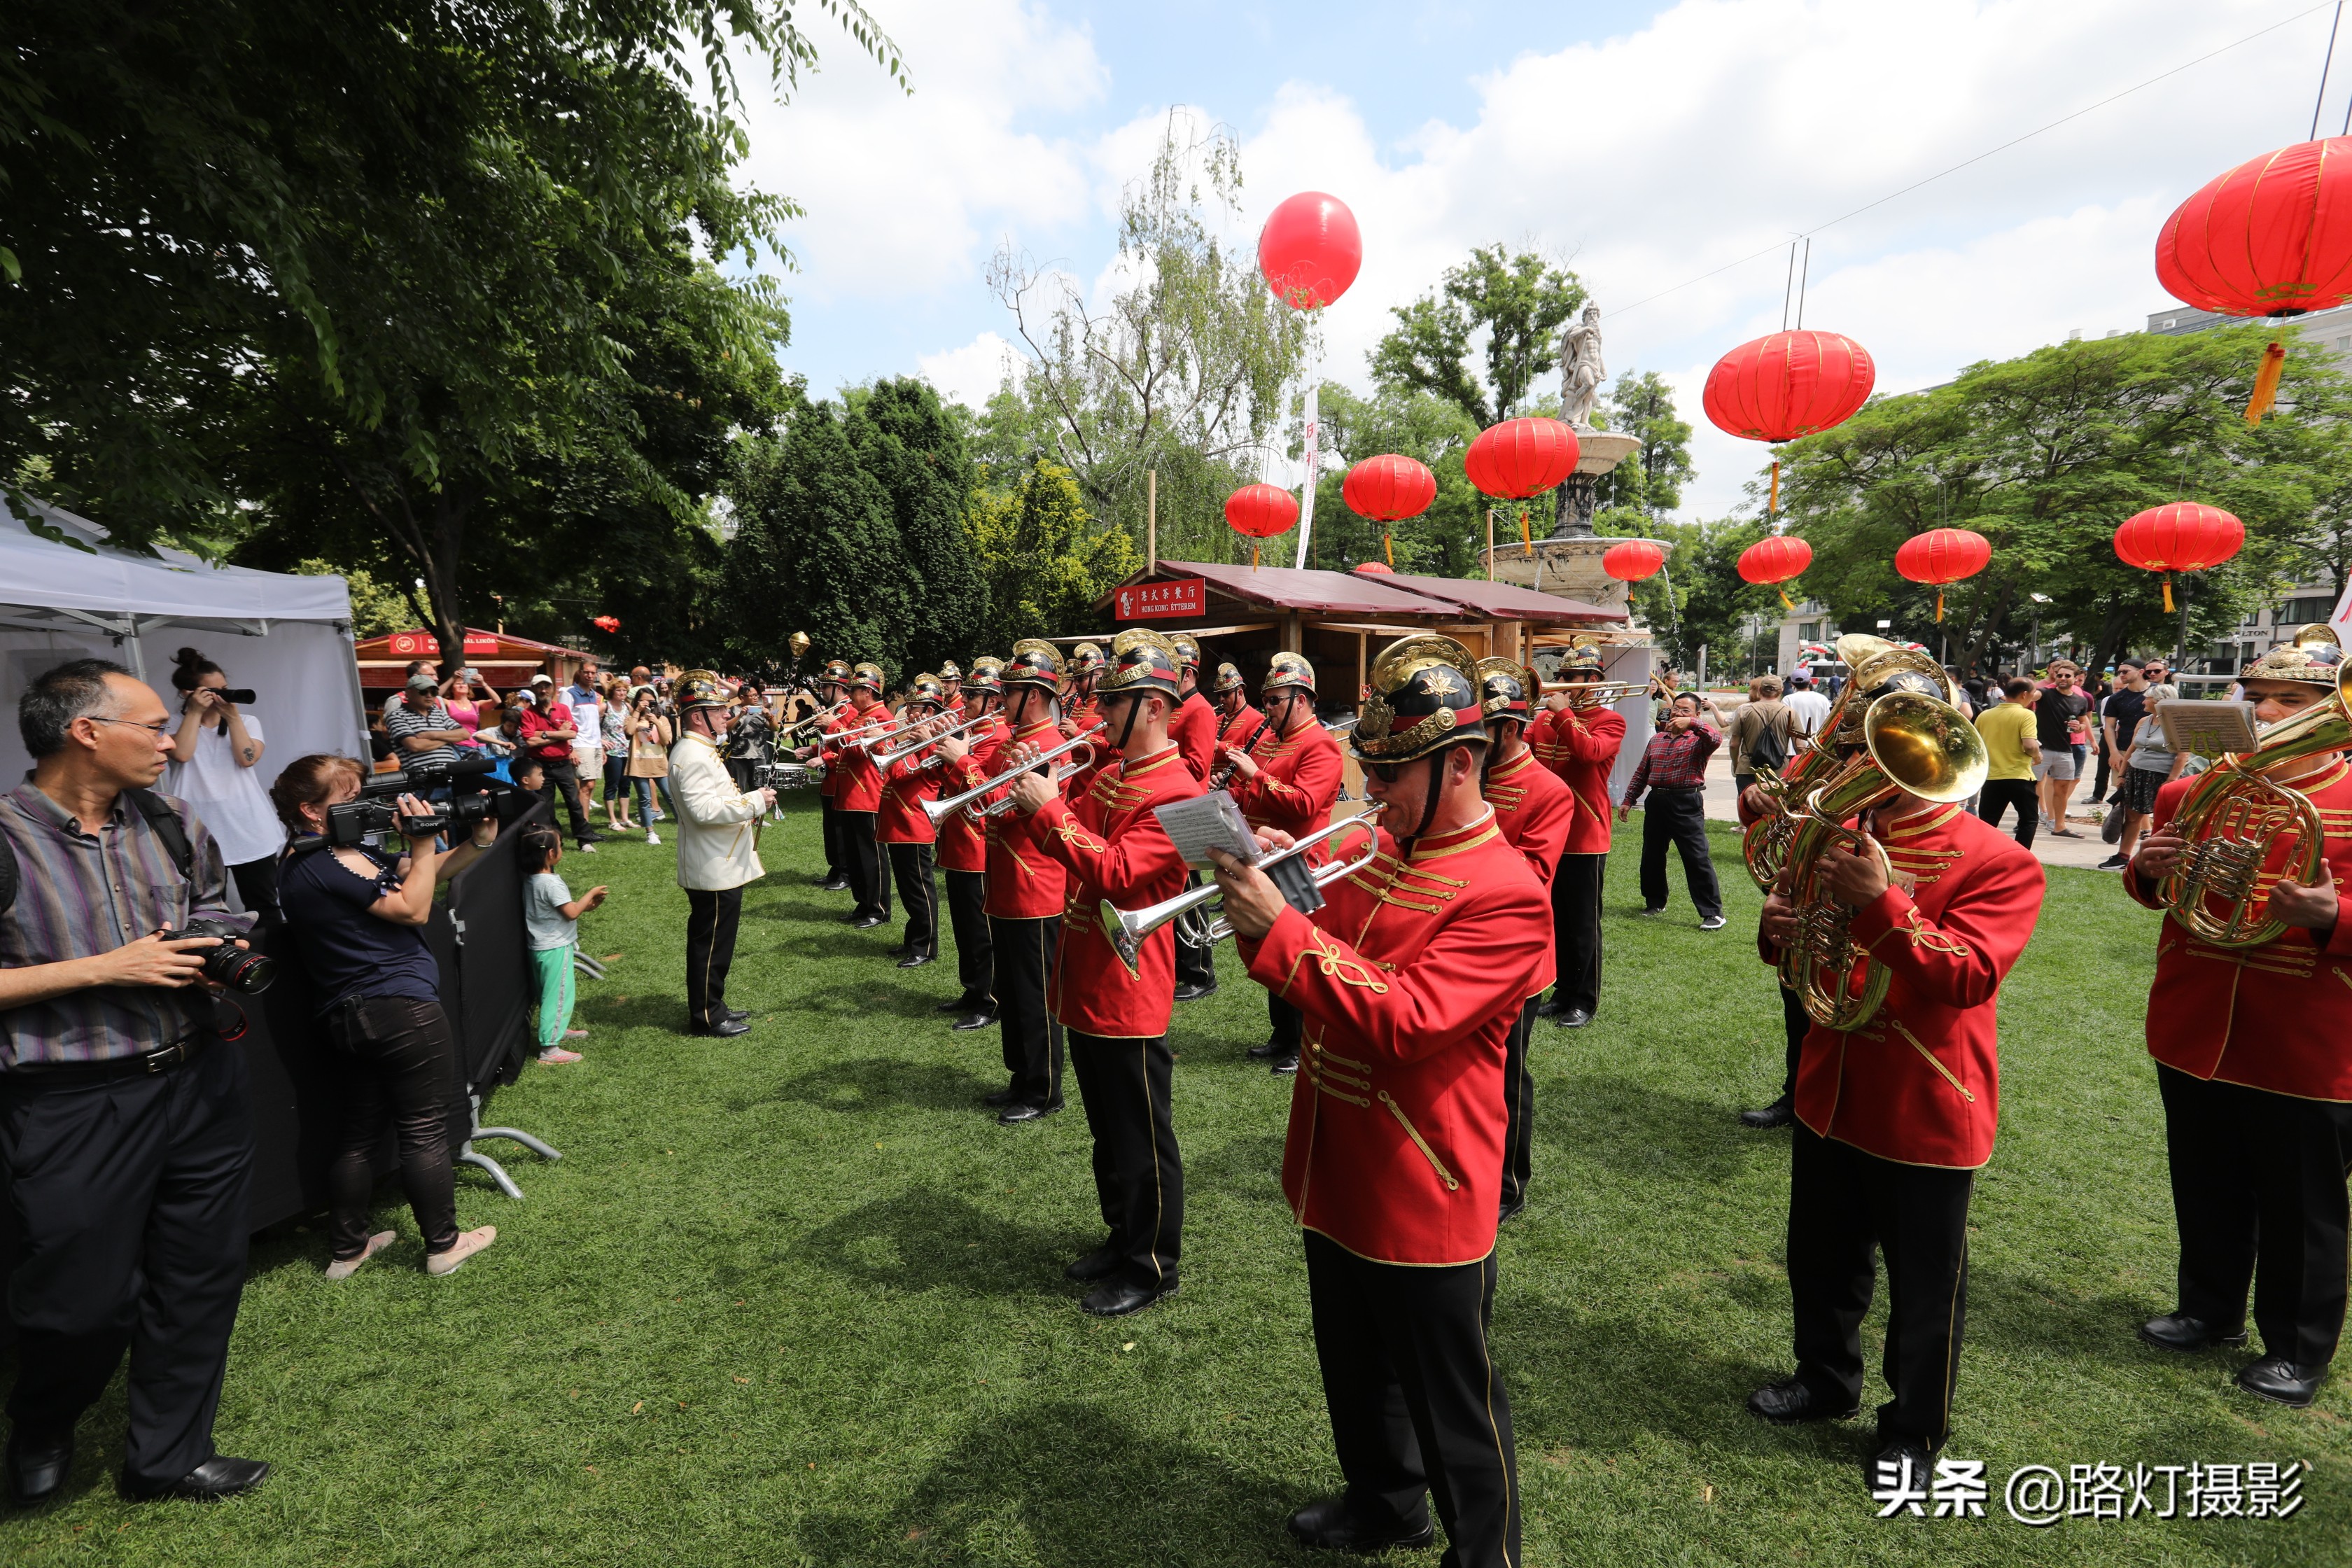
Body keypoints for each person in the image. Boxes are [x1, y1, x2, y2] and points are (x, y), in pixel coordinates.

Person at [1206, 634, 1548, 1567]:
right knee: (1355, 1371)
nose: (1373, 795)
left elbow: (1404, 1020)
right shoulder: (1382, 849)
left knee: (1456, 1407)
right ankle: (1386, 1503)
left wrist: (1285, 931)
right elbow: (1324, 968)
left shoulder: (1507, 894)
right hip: (1340, 1159)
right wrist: (1278, 888)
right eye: (1372, 771)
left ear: (1462, 764)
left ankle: (1487, 1556)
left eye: (1392, 775)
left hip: (1422, 1184)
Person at [1748, 723, 2046, 1490]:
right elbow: (1806, 938)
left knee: (1925, 1286)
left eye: (1872, 756)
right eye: (1856, 754)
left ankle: (1915, 1427)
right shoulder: (1835, 835)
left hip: (1925, 1097)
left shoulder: (1998, 859)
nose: (1857, 768)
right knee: (1821, 1256)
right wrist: (1776, 931)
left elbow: (1970, 975)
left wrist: (1883, 903)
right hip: (1831, 1085)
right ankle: (1824, 1378)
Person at [0, 661, 268, 1504]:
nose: (170, 739)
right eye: (154, 726)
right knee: (77, 1303)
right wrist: (101, 969)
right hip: (72, 1097)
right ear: (85, 732)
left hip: (199, 1081)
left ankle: (167, 1455)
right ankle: (43, 1419)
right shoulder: (7, 834)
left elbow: (221, 908)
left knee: (200, 1275)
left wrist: (209, 949)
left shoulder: (169, 817)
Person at [2123, 634, 2352, 1407]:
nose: (2267, 711)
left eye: (2290, 701)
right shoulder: (2192, 791)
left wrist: (2335, 917)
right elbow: (2164, 890)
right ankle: (2209, 1309)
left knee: (2302, 1206)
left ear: (2332, 710)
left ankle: (2296, 1348)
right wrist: (2145, 871)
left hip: (2306, 1039)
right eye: (2258, 697)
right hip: (2197, 1022)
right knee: (2207, 1180)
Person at [1004, 628, 1203, 1317]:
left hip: (1129, 982)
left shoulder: (1177, 788)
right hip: (1090, 973)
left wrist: (1051, 809)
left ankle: (1154, 1264)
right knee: (1107, 1131)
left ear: (1152, 705)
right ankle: (1123, 1236)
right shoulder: (1119, 774)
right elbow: (1072, 843)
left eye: (1114, 701)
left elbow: (1116, 871)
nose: (1100, 712)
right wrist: (1033, 801)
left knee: (1143, 1137)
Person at [272, 752, 501, 1286]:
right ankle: (444, 1245)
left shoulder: (314, 858)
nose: (364, 807)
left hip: (350, 1016)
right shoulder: (328, 860)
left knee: (358, 1135)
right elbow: (413, 908)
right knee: (423, 1127)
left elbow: (420, 878)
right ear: (310, 811)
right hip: (399, 1010)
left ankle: (347, 1250)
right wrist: (421, 842)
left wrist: (479, 840)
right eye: (348, 798)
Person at [934, 643, 1070, 1120]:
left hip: (1036, 885)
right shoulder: (1017, 739)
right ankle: (1021, 1077)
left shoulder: (1049, 743)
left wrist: (963, 761)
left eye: (1008, 692)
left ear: (1033, 695)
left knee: (1035, 994)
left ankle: (1045, 1088)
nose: (1000, 701)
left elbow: (1010, 805)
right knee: (1011, 993)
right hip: (1007, 882)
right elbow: (982, 803)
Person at [1475, 657, 1572, 1224]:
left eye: (1479, 730)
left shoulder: (1547, 790)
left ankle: (1509, 1184)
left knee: (1508, 1076)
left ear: (1509, 730)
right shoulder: (1474, 777)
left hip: (1518, 961)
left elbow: (1534, 878)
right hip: (1463, 947)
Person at [1220, 653, 1343, 1072]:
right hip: (1264, 856)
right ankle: (1282, 1035)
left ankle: (1301, 1044)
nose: (1267, 708)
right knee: (1273, 949)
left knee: (1297, 955)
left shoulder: (1321, 745)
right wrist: (1228, 795)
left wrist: (1254, 775)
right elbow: (1255, 797)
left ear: (1302, 700)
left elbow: (1304, 803)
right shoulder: (1271, 740)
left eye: (1275, 700)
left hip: (1299, 861)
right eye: (1267, 700)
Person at [668, 671, 776, 1037]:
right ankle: (707, 1016)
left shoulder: (700, 750)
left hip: (718, 862)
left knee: (716, 944)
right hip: (711, 866)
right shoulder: (693, 755)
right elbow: (704, 812)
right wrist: (753, 802)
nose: (723, 716)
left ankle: (714, 1005)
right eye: (716, 711)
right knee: (711, 947)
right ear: (697, 716)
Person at [1527, 645, 1627, 1024]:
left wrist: (1563, 714)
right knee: (1554, 919)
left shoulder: (1609, 721)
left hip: (1585, 834)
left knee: (1583, 923)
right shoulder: (1543, 721)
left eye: (1571, 678)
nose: (1563, 684)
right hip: (1546, 833)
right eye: (1563, 677)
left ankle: (1584, 999)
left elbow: (1588, 754)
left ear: (1593, 681)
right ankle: (1563, 990)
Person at [165, 648, 281, 925]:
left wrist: (233, 718)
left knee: (264, 903)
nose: (221, 696)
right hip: (198, 830)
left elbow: (247, 758)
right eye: (211, 691)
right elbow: (182, 754)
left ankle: (277, 961)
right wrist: (194, 713)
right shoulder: (171, 724)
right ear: (187, 693)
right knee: (209, 910)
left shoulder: (247, 722)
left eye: (225, 689)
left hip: (249, 826)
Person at [932, 657, 1004, 1030]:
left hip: (977, 844)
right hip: (957, 841)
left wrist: (956, 757)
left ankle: (989, 999)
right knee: (962, 925)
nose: (965, 700)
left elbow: (983, 793)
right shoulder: (968, 728)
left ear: (993, 701)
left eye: (973, 695)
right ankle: (971, 989)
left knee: (980, 931)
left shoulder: (998, 737)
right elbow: (947, 779)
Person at [1620, 691, 1725, 928]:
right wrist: (1629, 799)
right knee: (1652, 855)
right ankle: (1655, 902)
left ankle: (1712, 912)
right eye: (1677, 708)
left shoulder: (1699, 739)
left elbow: (1717, 738)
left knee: (1696, 857)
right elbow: (1642, 772)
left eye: (1686, 710)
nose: (1678, 713)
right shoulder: (1657, 739)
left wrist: (1693, 724)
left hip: (1686, 802)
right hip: (1656, 800)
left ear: (1697, 714)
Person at [1165, 634, 1224, 1004]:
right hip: (1173, 804)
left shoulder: (1198, 708)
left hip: (1189, 805)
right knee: (1177, 890)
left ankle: (1201, 971)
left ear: (1187, 673)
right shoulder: (1176, 707)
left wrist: (1157, 759)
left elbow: (1199, 765)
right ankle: (1183, 967)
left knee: (1189, 893)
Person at [878, 676, 950, 969]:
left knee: (919, 889)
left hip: (914, 821)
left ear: (932, 710)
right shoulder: (913, 735)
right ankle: (913, 939)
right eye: (909, 707)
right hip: (898, 818)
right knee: (907, 888)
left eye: (916, 708)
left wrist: (896, 747)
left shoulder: (935, 740)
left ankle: (926, 945)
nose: (909, 713)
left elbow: (901, 772)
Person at [519, 822, 605, 1065]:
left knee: (548, 995)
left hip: (539, 948)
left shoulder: (531, 880)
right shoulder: (551, 883)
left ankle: (558, 1029)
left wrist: (585, 906)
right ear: (550, 853)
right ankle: (549, 1049)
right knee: (558, 996)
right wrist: (591, 894)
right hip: (555, 948)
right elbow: (571, 913)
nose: (561, 849)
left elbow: (557, 911)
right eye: (560, 845)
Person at [826, 664, 892, 929]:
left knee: (871, 856)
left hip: (867, 795)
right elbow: (837, 746)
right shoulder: (859, 716)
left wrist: (834, 729)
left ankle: (879, 908)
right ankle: (863, 903)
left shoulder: (881, 717)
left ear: (868, 691)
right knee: (855, 855)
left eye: (854, 690)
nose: (851, 694)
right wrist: (835, 732)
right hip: (850, 794)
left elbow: (857, 752)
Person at [517, 675, 601, 853]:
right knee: (546, 806)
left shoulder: (562, 709)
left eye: (547, 687)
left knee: (574, 803)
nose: (543, 691)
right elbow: (530, 741)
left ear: (553, 689)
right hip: (540, 766)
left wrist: (542, 734)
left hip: (562, 764)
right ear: (533, 689)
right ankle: (555, 840)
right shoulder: (527, 713)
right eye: (539, 687)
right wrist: (557, 733)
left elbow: (571, 734)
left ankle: (584, 840)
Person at [1972, 678, 2043, 848]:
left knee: (1987, 824)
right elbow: (2029, 744)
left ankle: (1983, 856)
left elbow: (1976, 745)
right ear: (2024, 694)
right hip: (2019, 776)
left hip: (1991, 778)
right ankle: (2021, 857)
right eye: (2032, 695)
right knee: (2029, 820)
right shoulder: (2026, 714)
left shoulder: (1985, 715)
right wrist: (2037, 755)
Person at [2099, 658, 2154, 868]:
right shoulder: (2116, 698)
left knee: (2148, 804)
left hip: (2155, 755)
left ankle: (2147, 844)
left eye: (2125, 671)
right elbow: (2109, 727)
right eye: (2119, 672)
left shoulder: (2156, 695)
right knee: (2127, 800)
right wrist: (2113, 752)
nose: (2121, 675)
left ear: (2140, 672)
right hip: (2124, 751)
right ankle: (2124, 852)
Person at [2033, 661, 2092, 837]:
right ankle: (2027, 820)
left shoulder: (2080, 700)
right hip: (2041, 750)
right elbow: (2030, 695)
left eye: (2068, 676)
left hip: (2065, 751)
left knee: (2063, 789)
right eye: (2060, 675)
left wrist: (2079, 728)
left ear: (2076, 679)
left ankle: (2059, 826)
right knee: (2029, 787)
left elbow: (2083, 723)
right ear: (2054, 676)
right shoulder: (2044, 693)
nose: (2063, 678)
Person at [1726, 674, 1795, 797]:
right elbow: (1799, 746)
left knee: (1747, 810)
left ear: (1760, 690)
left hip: (1748, 769)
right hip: (1779, 770)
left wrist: (1737, 765)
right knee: (1775, 809)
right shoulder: (1789, 712)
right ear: (1781, 691)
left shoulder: (1745, 711)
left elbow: (1734, 744)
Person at [383, 672, 470, 757]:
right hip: (421, 771)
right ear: (408, 693)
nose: (429, 696)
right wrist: (449, 739)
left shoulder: (438, 713)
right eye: (423, 692)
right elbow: (415, 746)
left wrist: (431, 735)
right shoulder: (396, 716)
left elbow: (465, 734)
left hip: (450, 769)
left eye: (434, 692)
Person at [625, 688, 672, 844]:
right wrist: (637, 711)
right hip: (639, 764)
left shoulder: (663, 719)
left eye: (651, 701)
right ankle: (650, 833)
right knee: (644, 799)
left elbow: (666, 742)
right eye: (643, 701)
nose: (647, 704)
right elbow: (629, 732)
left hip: (659, 763)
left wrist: (657, 722)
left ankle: (685, 827)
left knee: (671, 797)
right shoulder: (633, 718)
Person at [600, 682, 636, 834]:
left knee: (625, 785)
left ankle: (625, 818)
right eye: (618, 690)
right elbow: (591, 725)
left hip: (626, 750)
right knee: (611, 785)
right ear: (612, 691)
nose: (621, 693)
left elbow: (634, 724)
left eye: (624, 690)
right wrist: (600, 741)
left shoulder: (628, 708)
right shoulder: (604, 707)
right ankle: (612, 820)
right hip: (612, 752)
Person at [1783, 671, 1832, 740]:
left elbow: (1784, 723)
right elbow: (1829, 721)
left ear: (1792, 684)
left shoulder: (1788, 699)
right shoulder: (1823, 699)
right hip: (1817, 743)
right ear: (1810, 682)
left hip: (1794, 746)